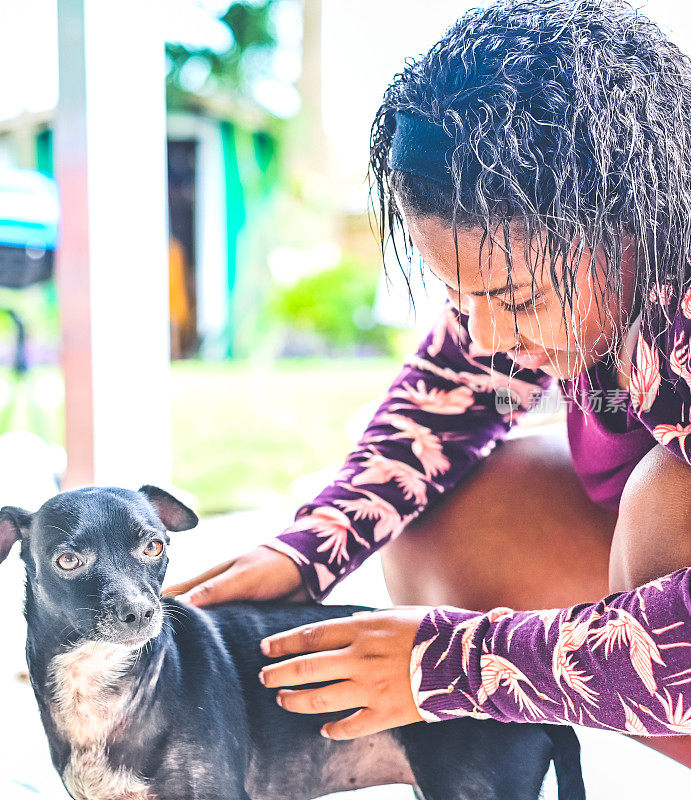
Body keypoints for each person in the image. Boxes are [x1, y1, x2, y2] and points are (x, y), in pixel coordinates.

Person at [165, 0, 691, 768]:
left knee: (661, 495)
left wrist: (451, 663)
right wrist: (313, 544)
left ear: (627, 222)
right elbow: (452, 386)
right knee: (443, 519)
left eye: (513, 300)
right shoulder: (582, 261)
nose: (485, 337)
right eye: (458, 299)